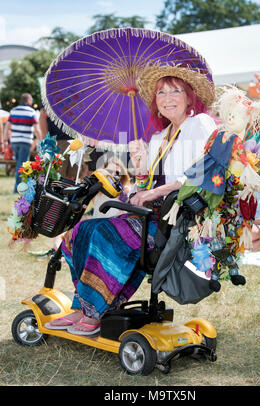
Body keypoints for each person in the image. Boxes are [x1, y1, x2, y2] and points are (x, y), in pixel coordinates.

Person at [46, 65, 216, 334]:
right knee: (77, 232)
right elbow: (143, 186)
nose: (167, 97)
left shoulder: (199, 124)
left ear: (190, 97)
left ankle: (95, 311)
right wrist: (140, 168)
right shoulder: (160, 137)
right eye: (161, 92)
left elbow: (199, 175)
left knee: (104, 233)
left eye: (175, 90)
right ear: (155, 102)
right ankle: (82, 307)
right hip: (149, 213)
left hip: (174, 220)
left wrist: (153, 192)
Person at [3, 94, 42, 193]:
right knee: (22, 166)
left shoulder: (14, 110)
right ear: (28, 100)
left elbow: (7, 126)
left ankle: (19, 188)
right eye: (31, 100)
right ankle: (18, 190)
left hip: (14, 142)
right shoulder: (31, 112)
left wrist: (5, 140)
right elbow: (37, 129)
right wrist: (41, 140)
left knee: (19, 165)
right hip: (25, 142)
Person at [39, 107, 78, 180]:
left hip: (74, 142)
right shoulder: (53, 98)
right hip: (59, 142)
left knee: (72, 176)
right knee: (59, 175)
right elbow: (42, 116)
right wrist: (47, 140)